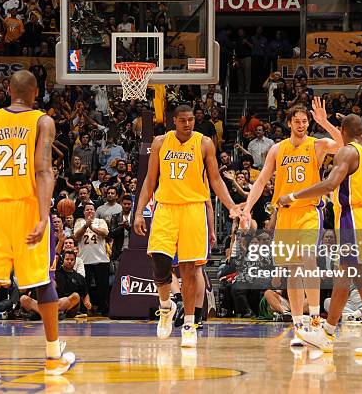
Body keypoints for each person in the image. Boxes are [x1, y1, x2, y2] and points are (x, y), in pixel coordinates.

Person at [0, 70, 75, 379]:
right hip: (27, 207)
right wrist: (43, 215)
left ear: (8, 92)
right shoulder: (42, 121)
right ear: (36, 92)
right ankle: (53, 356)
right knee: (42, 282)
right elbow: (42, 170)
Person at [278, 113, 362, 356]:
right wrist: (358, 133)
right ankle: (327, 333)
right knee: (343, 278)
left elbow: (330, 184)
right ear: (361, 130)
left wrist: (292, 196)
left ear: (342, 130)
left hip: (351, 218)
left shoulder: (347, 153)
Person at [134, 104, 241, 349]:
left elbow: (215, 180)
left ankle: (190, 324)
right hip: (166, 207)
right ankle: (166, 307)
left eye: (191, 120)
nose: (188, 124)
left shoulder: (204, 144)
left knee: (190, 270)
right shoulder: (161, 142)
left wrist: (232, 206)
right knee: (159, 262)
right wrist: (139, 212)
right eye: (183, 120)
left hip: (193, 208)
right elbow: (150, 181)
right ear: (174, 121)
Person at [241, 98, 343, 348]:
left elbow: (344, 146)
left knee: (308, 259)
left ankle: (316, 321)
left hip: (309, 211)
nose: (301, 124)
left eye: (304, 121)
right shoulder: (277, 149)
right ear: (288, 123)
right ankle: (299, 327)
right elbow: (262, 179)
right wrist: (247, 208)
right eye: (296, 121)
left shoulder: (317, 145)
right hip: (285, 214)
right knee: (293, 270)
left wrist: (325, 122)